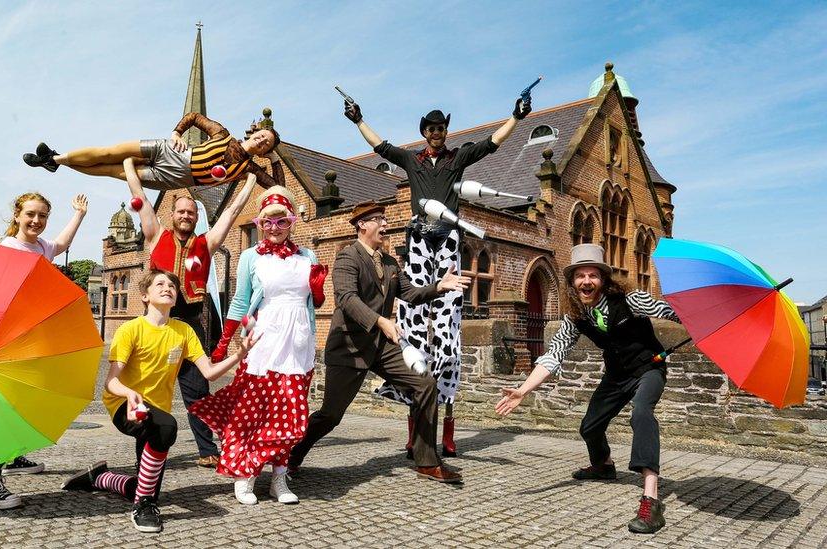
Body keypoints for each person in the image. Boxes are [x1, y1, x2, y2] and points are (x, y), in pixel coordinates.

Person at [341, 94, 531, 457]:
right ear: (424, 131)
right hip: (417, 238)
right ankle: (415, 432)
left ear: (445, 130)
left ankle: (446, 428)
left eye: (441, 127)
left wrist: (516, 117)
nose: (436, 132)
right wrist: (357, 120)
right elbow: (381, 146)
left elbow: (492, 143)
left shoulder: (456, 158)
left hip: (447, 240)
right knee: (412, 328)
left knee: (447, 331)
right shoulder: (412, 160)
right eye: (431, 128)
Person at [495, 243, 681, 534]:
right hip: (617, 375)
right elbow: (554, 354)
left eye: (593, 275)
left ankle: (651, 498)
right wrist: (523, 390)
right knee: (589, 426)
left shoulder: (632, 300)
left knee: (641, 414)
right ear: (572, 282)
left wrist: (700, 321)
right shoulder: (576, 317)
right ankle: (603, 466)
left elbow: (671, 312)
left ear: (603, 279)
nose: (586, 281)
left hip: (649, 368)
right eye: (580, 276)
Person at [60, 269, 258, 533]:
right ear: (145, 295)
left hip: (157, 412)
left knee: (147, 483)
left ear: (176, 299)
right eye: (160, 284)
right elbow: (111, 382)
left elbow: (209, 372)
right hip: (126, 407)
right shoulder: (130, 330)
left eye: (172, 286)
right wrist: (129, 394)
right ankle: (143, 507)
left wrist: (239, 355)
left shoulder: (184, 331)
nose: (168, 288)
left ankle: (100, 477)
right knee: (166, 431)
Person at [288, 201, 470, 483]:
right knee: (331, 415)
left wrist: (438, 287)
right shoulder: (347, 257)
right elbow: (347, 299)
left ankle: (426, 462)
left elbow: (409, 293)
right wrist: (380, 321)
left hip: (382, 348)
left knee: (425, 385)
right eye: (379, 219)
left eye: (385, 219)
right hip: (349, 347)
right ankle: (292, 456)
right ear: (362, 224)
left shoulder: (389, 262)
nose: (385, 224)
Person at [189, 184, 328, 505]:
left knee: (292, 414)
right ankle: (245, 475)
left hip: (299, 344)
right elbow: (239, 302)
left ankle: (279, 479)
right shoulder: (251, 256)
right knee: (254, 412)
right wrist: (224, 345)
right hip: (263, 343)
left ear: (292, 221)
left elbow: (313, 302)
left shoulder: (308, 255)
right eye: (267, 222)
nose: (275, 228)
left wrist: (318, 288)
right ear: (259, 224)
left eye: (282, 221)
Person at [122, 158, 263, 467]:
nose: (186, 216)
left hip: (190, 326)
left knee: (197, 389)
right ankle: (145, 447)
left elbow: (232, 212)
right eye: (181, 211)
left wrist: (249, 180)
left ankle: (206, 448)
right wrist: (129, 165)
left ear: (197, 217)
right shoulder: (155, 235)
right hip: (155, 324)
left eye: (191, 212)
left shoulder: (206, 243)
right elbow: (141, 198)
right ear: (172, 215)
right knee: (147, 386)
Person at [0, 191, 88, 510]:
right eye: (30, 215)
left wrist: (78, 214)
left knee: (22, 402)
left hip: (30, 336)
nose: (36, 221)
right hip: (8, 339)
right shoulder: (9, 248)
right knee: (4, 406)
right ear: (17, 216)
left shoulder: (39, 246)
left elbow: (60, 246)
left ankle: (11, 456)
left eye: (42, 216)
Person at [23, 112, 283, 190]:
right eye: (262, 136)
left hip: (175, 178)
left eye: (267, 144)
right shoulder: (222, 134)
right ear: (254, 132)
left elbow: (278, 190)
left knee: (114, 171)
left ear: (264, 152)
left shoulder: (249, 169)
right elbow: (193, 116)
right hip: (172, 151)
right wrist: (176, 133)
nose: (262, 141)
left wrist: (274, 160)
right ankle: (55, 158)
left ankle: (53, 162)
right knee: (111, 151)